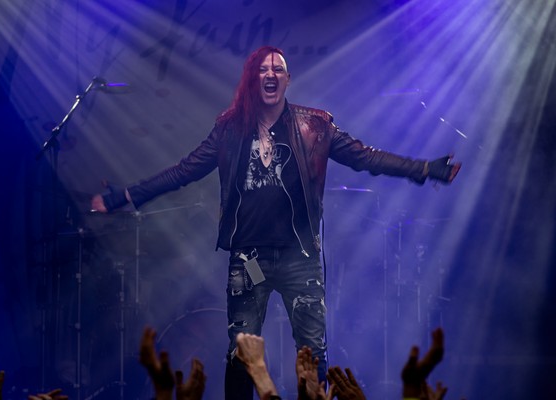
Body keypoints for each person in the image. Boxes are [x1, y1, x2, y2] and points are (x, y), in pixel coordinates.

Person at [91, 45, 461, 400]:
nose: (270, 74)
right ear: (252, 78)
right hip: (248, 259)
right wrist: (123, 196)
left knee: (312, 353)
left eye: (278, 69)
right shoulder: (229, 129)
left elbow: (366, 157)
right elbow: (183, 171)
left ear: (287, 79)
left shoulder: (315, 125)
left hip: (300, 258)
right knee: (241, 352)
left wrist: (424, 169)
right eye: (263, 69)